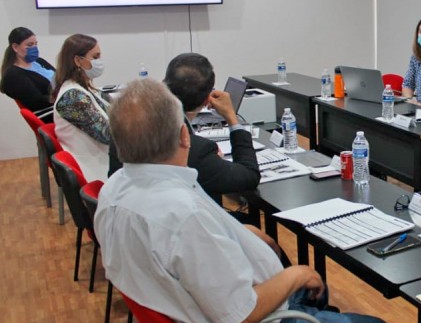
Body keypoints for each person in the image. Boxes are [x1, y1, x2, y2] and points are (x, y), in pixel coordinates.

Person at [95, 79, 393, 323]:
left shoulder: (115, 189)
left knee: (317, 297)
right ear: (185, 136)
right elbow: (239, 317)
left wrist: (239, 233)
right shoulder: (180, 214)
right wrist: (297, 273)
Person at [108, 53, 260, 208]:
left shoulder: (125, 129)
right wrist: (232, 118)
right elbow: (249, 176)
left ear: (164, 84)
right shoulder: (195, 151)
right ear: (206, 100)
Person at [53, 33, 110, 182]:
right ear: (78, 60)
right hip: (94, 171)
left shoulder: (81, 87)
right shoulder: (72, 97)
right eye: (95, 57)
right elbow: (107, 134)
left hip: (101, 160)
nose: (99, 62)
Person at [0, 27, 55, 122]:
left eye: (35, 44)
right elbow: (38, 102)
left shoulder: (39, 61)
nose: (34, 48)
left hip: (65, 103)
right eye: (30, 45)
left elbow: (61, 76)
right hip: (52, 112)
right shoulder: (13, 75)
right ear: (15, 47)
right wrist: (63, 97)